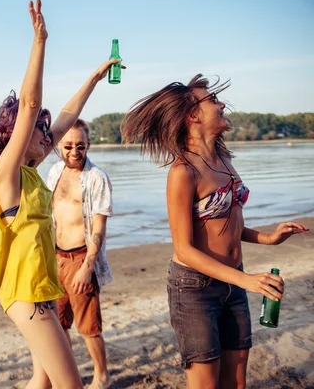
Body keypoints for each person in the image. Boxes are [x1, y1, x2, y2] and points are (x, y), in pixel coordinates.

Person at [120, 75, 309, 389]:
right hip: (195, 287)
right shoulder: (184, 172)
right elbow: (184, 249)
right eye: (212, 100)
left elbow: (226, 222)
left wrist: (268, 238)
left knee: (236, 381)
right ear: (193, 115)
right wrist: (246, 281)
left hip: (234, 281)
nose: (221, 104)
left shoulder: (224, 159)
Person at [0, 0, 122, 388]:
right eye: (41, 133)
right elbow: (31, 105)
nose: (51, 139)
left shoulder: (30, 173)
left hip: (41, 289)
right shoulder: (5, 174)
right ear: (18, 136)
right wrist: (40, 41)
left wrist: (94, 79)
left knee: (41, 382)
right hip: (25, 296)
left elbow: (60, 117)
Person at [46, 118, 114, 389]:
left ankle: (101, 376)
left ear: (88, 145)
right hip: (55, 258)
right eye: (69, 146)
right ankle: (67, 374)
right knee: (58, 324)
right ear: (59, 146)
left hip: (81, 257)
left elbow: (99, 226)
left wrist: (88, 266)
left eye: (81, 146)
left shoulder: (97, 178)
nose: (75, 152)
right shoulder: (54, 172)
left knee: (88, 326)